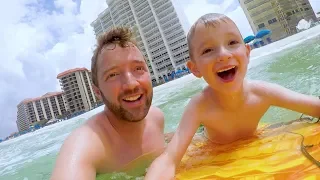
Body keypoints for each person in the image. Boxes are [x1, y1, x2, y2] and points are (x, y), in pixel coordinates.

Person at [145, 13, 320, 179]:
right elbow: (169, 158)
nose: (223, 54)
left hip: (253, 135)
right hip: (211, 143)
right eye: (208, 50)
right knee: (188, 138)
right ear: (195, 68)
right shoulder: (199, 106)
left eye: (232, 42)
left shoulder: (264, 92)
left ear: (247, 52)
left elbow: (315, 106)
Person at [51, 27, 166, 180]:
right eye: (113, 75)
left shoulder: (157, 118)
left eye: (138, 68)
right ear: (98, 92)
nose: (131, 84)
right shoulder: (86, 143)